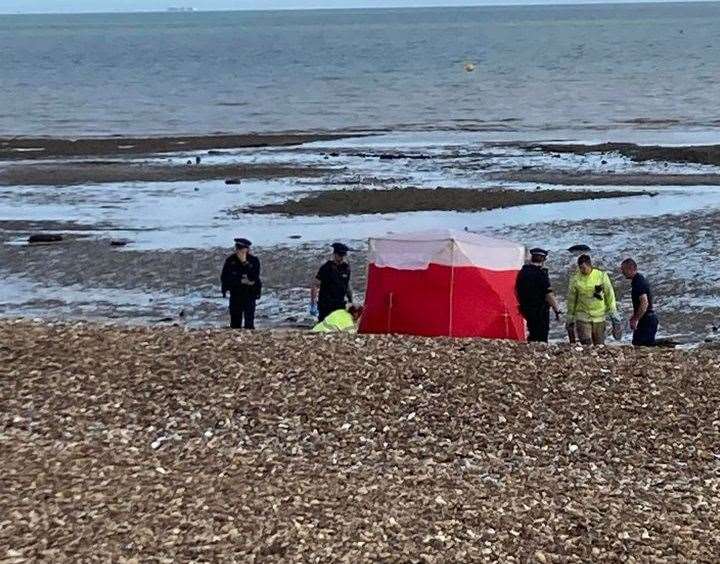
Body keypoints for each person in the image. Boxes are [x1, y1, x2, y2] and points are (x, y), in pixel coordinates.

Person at [566, 254, 617, 346]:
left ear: (589, 265)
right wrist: (570, 317)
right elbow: (571, 299)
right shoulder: (575, 279)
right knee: (586, 344)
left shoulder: (601, 276)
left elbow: (610, 295)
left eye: (584, 268)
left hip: (599, 316)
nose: (582, 270)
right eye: (580, 268)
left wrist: (613, 313)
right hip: (582, 315)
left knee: (600, 345)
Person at [515, 247, 561, 342]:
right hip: (540, 310)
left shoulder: (523, 272)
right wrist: (556, 309)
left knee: (532, 331)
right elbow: (548, 294)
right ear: (542, 259)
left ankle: (531, 350)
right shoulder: (541, 274)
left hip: (526, 308)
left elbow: (516, 290)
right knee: (541, 334)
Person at [221, 238, 262, 329]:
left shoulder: (253, 260)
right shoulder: (230, 261)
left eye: (242, 249)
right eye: (238, 248)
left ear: (247, 249)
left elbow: (254, 277)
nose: (239, 251)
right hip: (236, 294)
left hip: (249, 294)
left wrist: (245, 263)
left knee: (249, 322)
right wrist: (240, 281)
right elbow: (225, 277)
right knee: (235, 322)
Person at [310, 242, 353, 322]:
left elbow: (347, 286)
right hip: (326, 305)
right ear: (335, 254)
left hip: (340, 304)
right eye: (340, 255)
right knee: (326, 326)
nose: (342, 258)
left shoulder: (346, 268)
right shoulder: (326, 268)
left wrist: (351, 301)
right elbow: (315, 285)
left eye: (343, 255)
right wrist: (313, 304)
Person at [620, 258, 658, 346]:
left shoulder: (638, 282)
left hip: (647, 320)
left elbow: (644, 303)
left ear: (630, 269)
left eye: (623, 269)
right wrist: (634, 316)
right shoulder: (638, 280)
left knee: (640, 345)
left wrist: (635, 319)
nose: (622, 272)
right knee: (639, 344)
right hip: (647, 318)